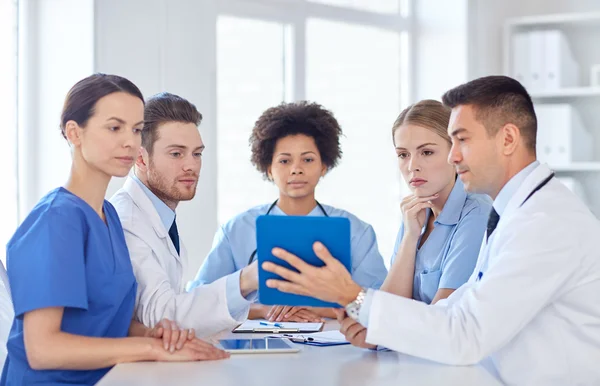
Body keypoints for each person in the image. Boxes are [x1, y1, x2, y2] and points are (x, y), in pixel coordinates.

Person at [260, 76, 600, 385]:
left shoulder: (544, 223)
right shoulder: (516, 213)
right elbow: (457, 308)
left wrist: (353, 296)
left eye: (461, 141)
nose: (453, 157)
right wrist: (375, 326)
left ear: (508, 139)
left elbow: (465, 334)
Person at [1, 74, 228, 386]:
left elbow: (106, 320)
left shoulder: (107, 215)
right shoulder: (55, 220)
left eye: (136, 130)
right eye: (114, 127)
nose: (130, 142)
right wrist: (149, 348)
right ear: (74, 132)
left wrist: (154, 334)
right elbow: (42, 349)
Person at [188, 101, 388, 322]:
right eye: (284, 160)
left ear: (324, 166)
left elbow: (378, 303)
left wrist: (317, 310)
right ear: (268, 169)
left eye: (308, 159)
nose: (296, 169)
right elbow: (199, 298)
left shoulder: (356, 231)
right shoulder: (236, 229)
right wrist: (264, 311)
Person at [111, 92, 258, 337]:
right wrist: (246, 280)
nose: (191, 165)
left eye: (197, 153)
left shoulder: (160, 215)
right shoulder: (128, 222)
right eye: (176, 154)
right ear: (140, 158)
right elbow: (160, 318)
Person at [383, 100, 490, 304]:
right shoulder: (413, 213)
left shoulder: (477, 213)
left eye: (427, 152)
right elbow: (386, 309)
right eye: (403, 155)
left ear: (455, 153)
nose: (412, 166)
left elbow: (445, 318)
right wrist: (410, 237)